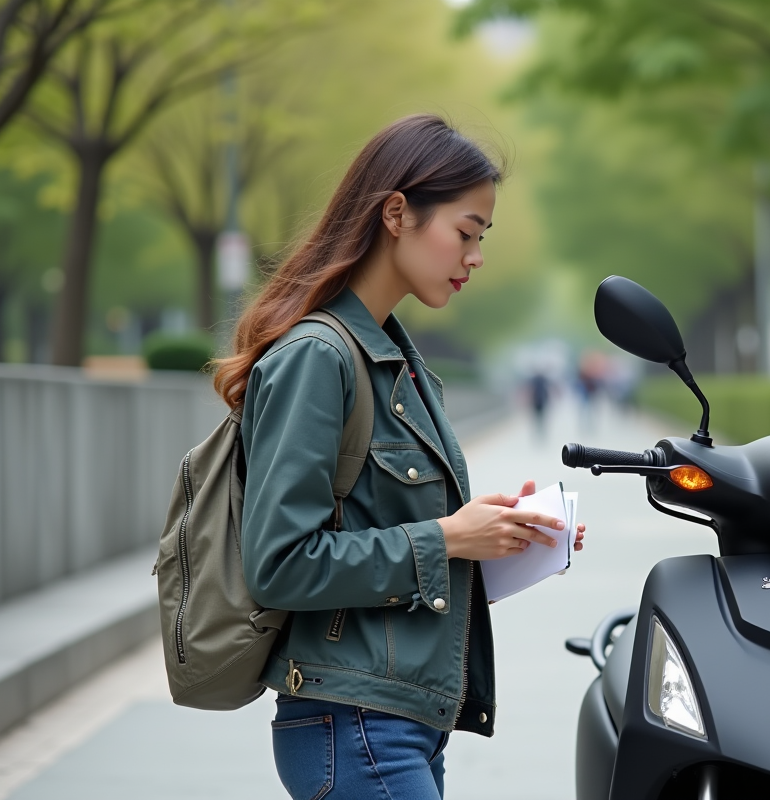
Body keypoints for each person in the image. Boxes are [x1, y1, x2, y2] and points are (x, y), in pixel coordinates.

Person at [213, 115, 585, 800]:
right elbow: (280, 565)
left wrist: (495, 541)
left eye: (481, 239)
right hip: (355, 722)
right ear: (396, 214)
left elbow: (382, 542)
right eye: (466, 233)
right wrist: (447, 536)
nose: (475, 256)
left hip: (395, 720)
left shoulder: (397, 362)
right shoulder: (319, 359)